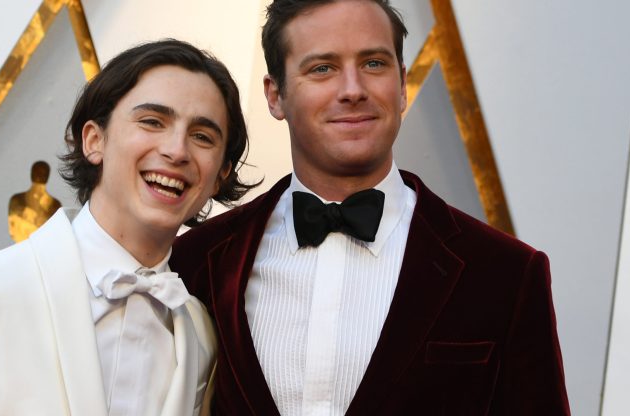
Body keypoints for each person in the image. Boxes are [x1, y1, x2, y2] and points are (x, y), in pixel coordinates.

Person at [170, 1, 571, 414]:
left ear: (401, 84)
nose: (352, 89)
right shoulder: (196, 263)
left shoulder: (506, 273)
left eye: (374, 64)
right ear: (276, 96)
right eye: (322, 68)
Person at [0, 39, 255, 416]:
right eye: (152, 122)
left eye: (202, 137)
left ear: (220, 175)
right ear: (94, 140)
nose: (177, 150)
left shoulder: (201, 334)